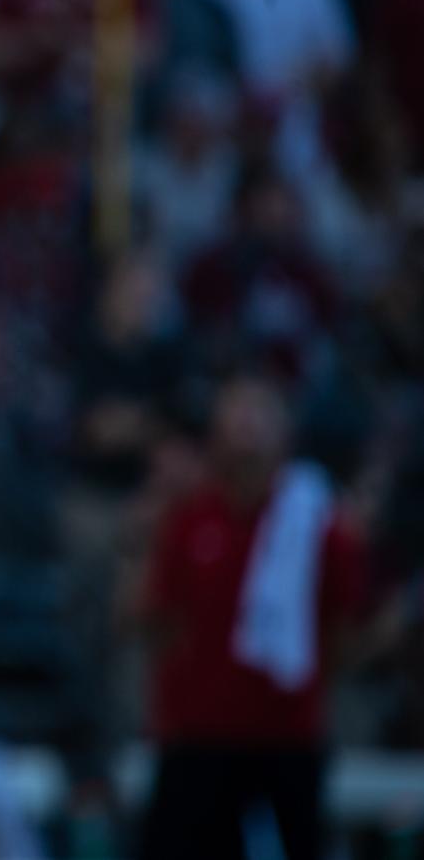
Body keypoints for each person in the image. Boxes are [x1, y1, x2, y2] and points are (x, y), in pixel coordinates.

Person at [134, 368, 369, 860]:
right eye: (235, 408)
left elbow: (344, 630)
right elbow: (153, 620)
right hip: (197, 738)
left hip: (287, 737)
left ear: (285, 428)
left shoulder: (321, 523)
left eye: (259, 408)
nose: (246, 422)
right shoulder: (187, 518)